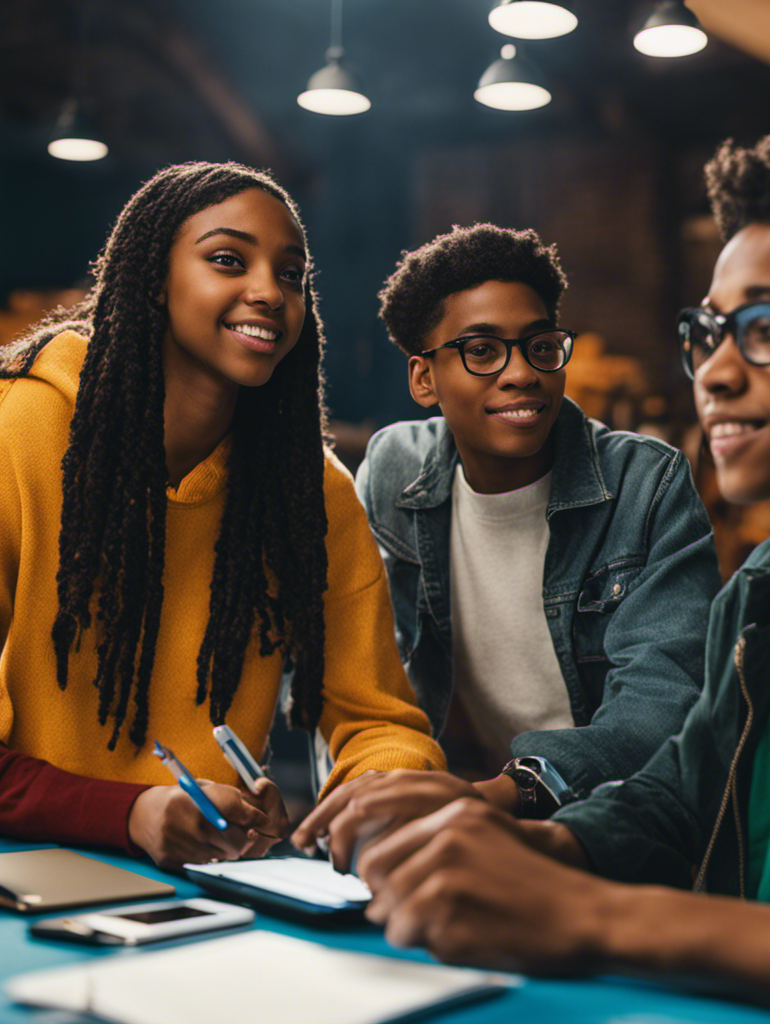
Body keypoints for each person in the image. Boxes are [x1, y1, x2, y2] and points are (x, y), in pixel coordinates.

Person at [310, 119, 770, 1023]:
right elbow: (673, 800)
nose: (715, 374)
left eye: (765, 329)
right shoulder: (765, 597)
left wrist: (598, 914)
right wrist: (502, 835)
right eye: (709, 331)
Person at [0, 161, 444, 870]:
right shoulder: (18, 432)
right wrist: (131, 813)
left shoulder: (306, 492)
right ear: (153, 278)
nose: (269, 291)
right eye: (228, 260)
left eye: (292, 274)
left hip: (205, 888)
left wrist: (372, 803)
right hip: (19, 874)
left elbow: (378, 720)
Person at [293, 224, 719, 846]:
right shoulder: (395, 471)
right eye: (482, 351)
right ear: (424, 380)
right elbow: (365, 675)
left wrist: (496, 794)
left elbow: (663, 706)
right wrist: (377, 797)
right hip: (462, 815)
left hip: (614, 826)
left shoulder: (643, 484)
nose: (521, 373)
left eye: (540, 346)